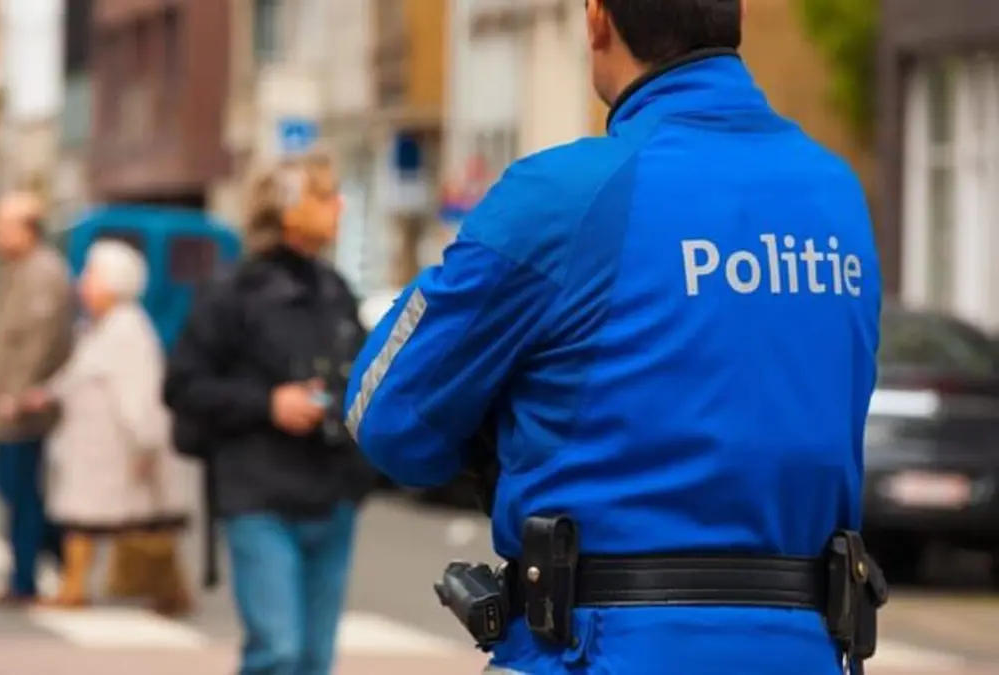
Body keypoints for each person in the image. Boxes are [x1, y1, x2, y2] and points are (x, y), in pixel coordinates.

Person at [344, 1, 883, 674]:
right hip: (804, 649)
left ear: (598, 17)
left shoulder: (562, 194)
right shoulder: (837, 195)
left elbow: (387, 414)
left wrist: (497, 435)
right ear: (739, 12)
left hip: (598, 648)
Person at [164, 150, 374, 675]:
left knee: (313, 660)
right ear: (286, 209)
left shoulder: (335, 290)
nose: (340, 205)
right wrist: (269, 404)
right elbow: (183, 385)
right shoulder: (231, 291)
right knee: (277, 652)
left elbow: (364, 379)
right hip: (258, 493)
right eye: (324, 195)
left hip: (331, 495)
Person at [21, 240, 195, 614]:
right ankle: (85, 587)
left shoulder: (127, 331)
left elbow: (139, 395)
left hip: (114, 452)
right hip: (94, 452)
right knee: (115, 521)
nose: (83, 284)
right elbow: (78, 375)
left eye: (91, 276)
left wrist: (145, 444)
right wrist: (45, 395)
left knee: (119, 522)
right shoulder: (103, 327)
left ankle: (80, 588)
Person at [0, 191, 72, 605]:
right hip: (6, 402)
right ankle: (51, 562)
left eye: (3, 227)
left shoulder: (43, 273)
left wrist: (17, 393)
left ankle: (30, 574)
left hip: (25, 407)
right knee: (10, 487)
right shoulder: (16, 270)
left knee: (21, 491)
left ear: (28, 230)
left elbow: (39, 343)